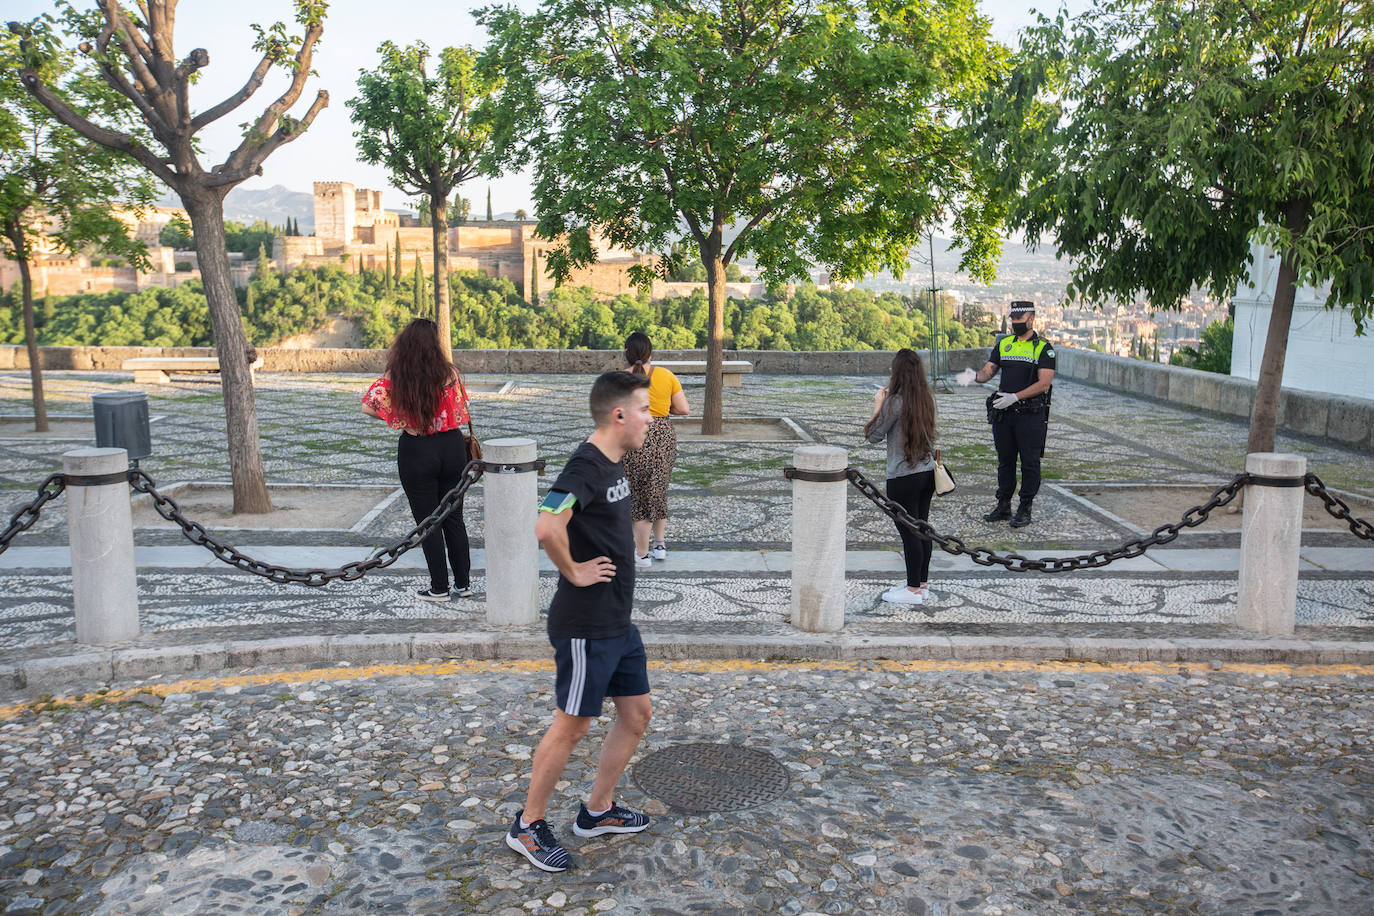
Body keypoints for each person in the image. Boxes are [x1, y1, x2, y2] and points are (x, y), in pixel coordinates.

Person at [506, 371, 656, 873]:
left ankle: (597, 811)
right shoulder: (586, 467)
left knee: (636, 715)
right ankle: (527, 825)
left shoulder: (613, 463)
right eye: (644, 409)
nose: (650, 418)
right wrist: (573, 571)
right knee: (573, 726)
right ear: (619, 415)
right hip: (585, 626)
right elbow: (547, 525)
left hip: (617, 621)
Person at [361, 318, 474, 600]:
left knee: (428, 522)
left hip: (417, 449)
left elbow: (368, 406)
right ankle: (463, 584)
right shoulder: (450, 374)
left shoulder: (396, 376)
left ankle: (439, 587)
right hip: (451, 447)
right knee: (454, 518)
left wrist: (400, 419)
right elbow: (461, 406)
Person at [958, 300, 1056, 528]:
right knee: (1005, 461)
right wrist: (973, 376)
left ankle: (1025, 507)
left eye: (1018, 320)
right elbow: (989, 370)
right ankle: (1003, 505)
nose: (1014, 323)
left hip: (1030, 415)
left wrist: (1016, 396)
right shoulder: (1005, 345)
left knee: (1030, 462)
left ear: (1031, 319)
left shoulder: (1044, 348)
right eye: (1012, 319)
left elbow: (1044, 384)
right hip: (1004, 414)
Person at [865, 348, 939, 605]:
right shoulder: (927, 398)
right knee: (923, 528)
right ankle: (922, 584)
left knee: (910, 533)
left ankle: (912, 590)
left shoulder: (895, 402)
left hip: (903, 476)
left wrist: (878, 405)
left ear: (897, 373)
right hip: (927, 472)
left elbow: (873, 435)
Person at [621, 332, 690, 568]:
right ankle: (659, 545)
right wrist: (662, 406)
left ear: (627, 354)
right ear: (651, 353)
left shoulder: (619, 379)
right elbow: (683, 409)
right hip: (662, 435)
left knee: (639, 495)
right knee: (658, 488)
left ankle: (641, 554)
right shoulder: (666, 376)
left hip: (634, 435)